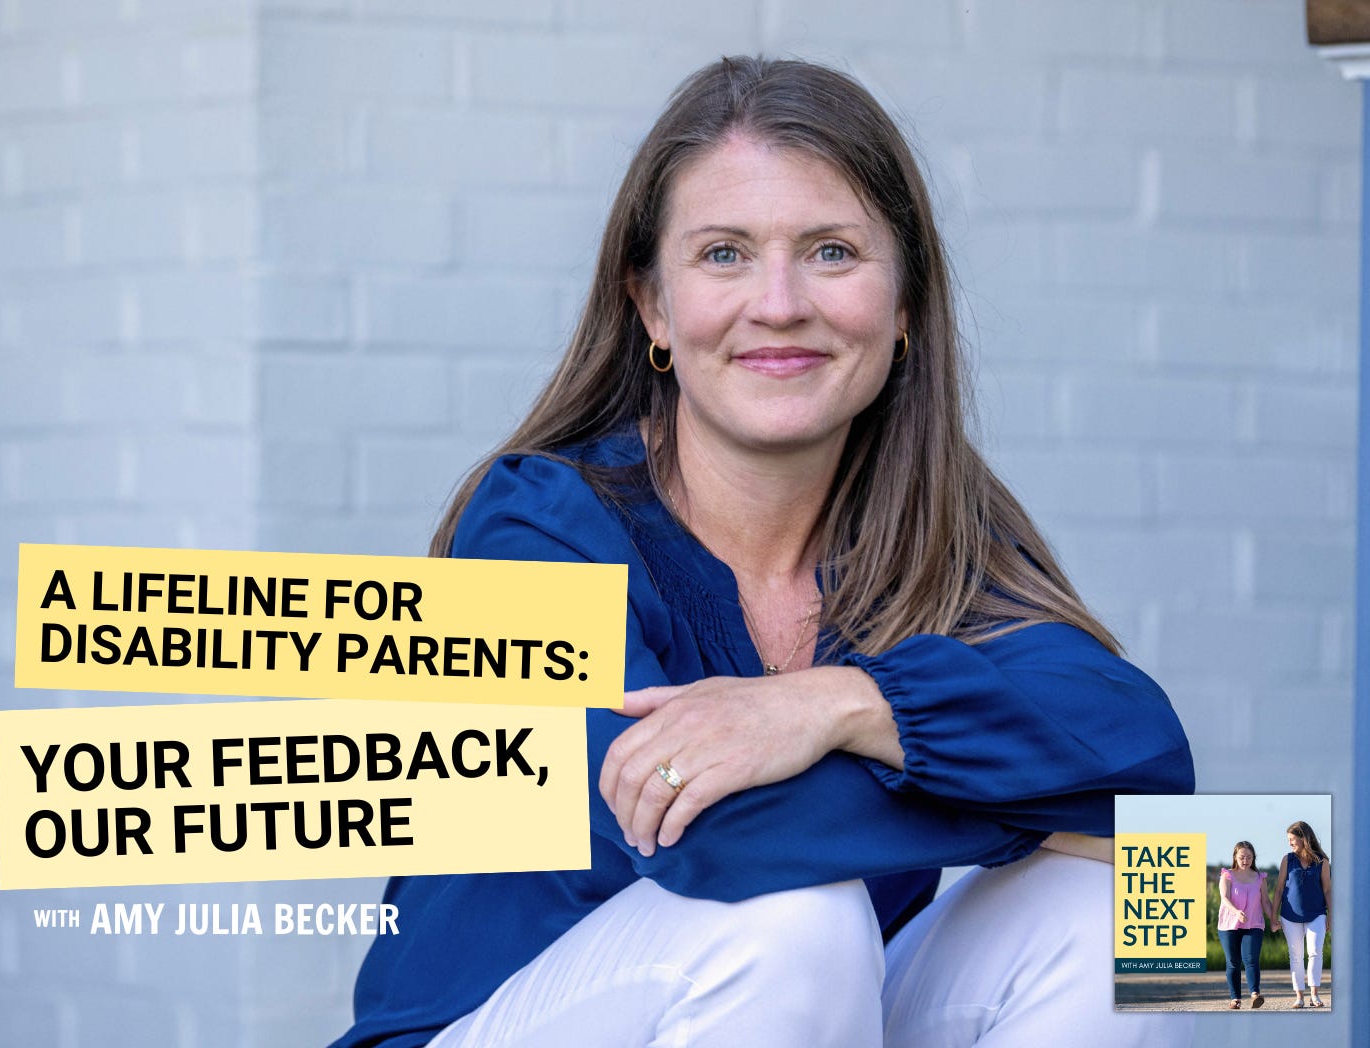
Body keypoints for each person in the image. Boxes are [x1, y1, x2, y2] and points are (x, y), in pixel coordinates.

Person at [331, 56, 1194, 1048]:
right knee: (794, 912)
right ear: (653, 307)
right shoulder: (532, 527)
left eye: (830, 252)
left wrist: (840, 705)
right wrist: (1030, 792)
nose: (779, 303)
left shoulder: (930, 524)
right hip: (496, 1023)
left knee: (1160, 907)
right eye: (724, 254)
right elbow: (705, 840)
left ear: (904, 305)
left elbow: (1154, 761)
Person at [1270, 820, 1332, 1009]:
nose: (1290, 843)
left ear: (1304, 838)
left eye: (1292, 839)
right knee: (1296, 955)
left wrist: (1331, 916)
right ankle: (1299, 996)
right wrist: (1273, 917)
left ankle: (1315, 995)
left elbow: (1328, 890)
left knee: (1314, 952)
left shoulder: (1322, 861)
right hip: (1290, 915)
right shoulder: (1287, 859)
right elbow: (1279, 889)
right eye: (1288, 840)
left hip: (1317, 914)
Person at [1217, 841, 1271, 1009]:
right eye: (1241, 857)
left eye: (1249, 857)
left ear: (1253, 858)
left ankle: (1255, 994)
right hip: (1229, 924)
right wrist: (1236, 912)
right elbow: (1224, 898)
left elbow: (1265, 901)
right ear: (1235, 857)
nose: (1245, 860)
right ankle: (1235, 999)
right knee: (1233, 961)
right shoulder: (1227, 875)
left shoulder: (1260, 878)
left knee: (1251, 959)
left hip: (1254, 923)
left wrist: (1273, 919)